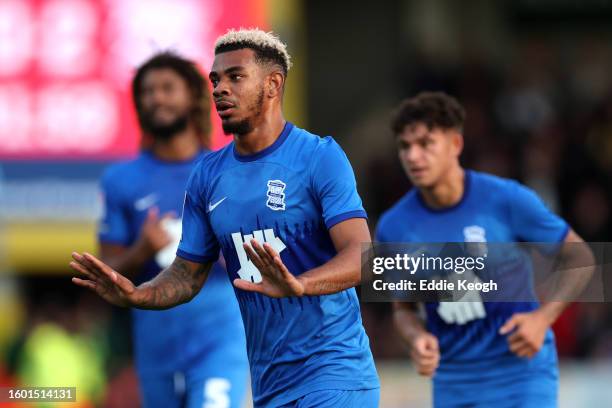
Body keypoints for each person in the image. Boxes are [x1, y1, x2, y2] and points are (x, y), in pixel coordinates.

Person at [72, 29, 380, 407]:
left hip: (335, 372)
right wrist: (139, 293)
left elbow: (363, 257)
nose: (220, 88)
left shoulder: (319, 157)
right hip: (270, 383)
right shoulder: (207, 176)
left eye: (235, 77)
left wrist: (299, 285)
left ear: (273, 84)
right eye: (215, 79)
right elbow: (187, 274)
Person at [376, 92, 592, 407]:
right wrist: (416, 338)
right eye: (405, 147)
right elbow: (403, 308)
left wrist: (542, 319)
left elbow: (581, 256)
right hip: (454, 383)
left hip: (521, 374)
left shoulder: (506, 200)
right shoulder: (393, 226)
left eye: (425, 143)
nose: (413, 156)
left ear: (455, 145)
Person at [96, 52, 248, 408]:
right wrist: (142, 250)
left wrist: (227, 250)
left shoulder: (228, 169)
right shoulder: (121, 180)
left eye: (167, 88)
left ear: (193, 98)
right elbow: (109, 274)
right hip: (155, 342)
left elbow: (260, 251)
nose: (157, 98)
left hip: (219, 337)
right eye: (148, 91)